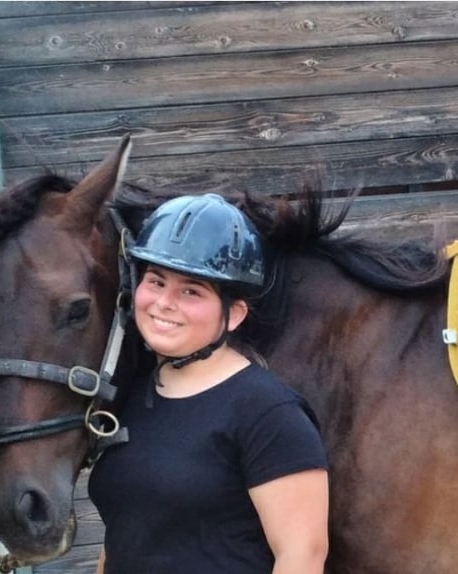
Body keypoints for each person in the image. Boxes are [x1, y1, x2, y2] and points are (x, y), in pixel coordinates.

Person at [88, 193, 329, 574]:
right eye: (156, 281)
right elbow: (122, 539)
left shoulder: (269, 414)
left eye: (191, 291)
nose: (164, 303)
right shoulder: (131, 397)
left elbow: (302, 555)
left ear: (234, 314)